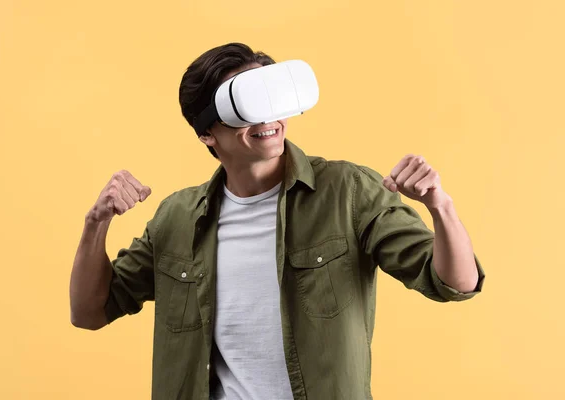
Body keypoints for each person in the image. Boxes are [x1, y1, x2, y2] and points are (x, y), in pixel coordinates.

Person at [69, 42, 485, 400]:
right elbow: (90, 312)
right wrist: (96, 223)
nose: (267, 118)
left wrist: (440, 207)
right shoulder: (175, 219)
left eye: (271, 98)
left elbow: (455, 283)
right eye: (245, 105)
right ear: (207, 134)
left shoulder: (348, 191)